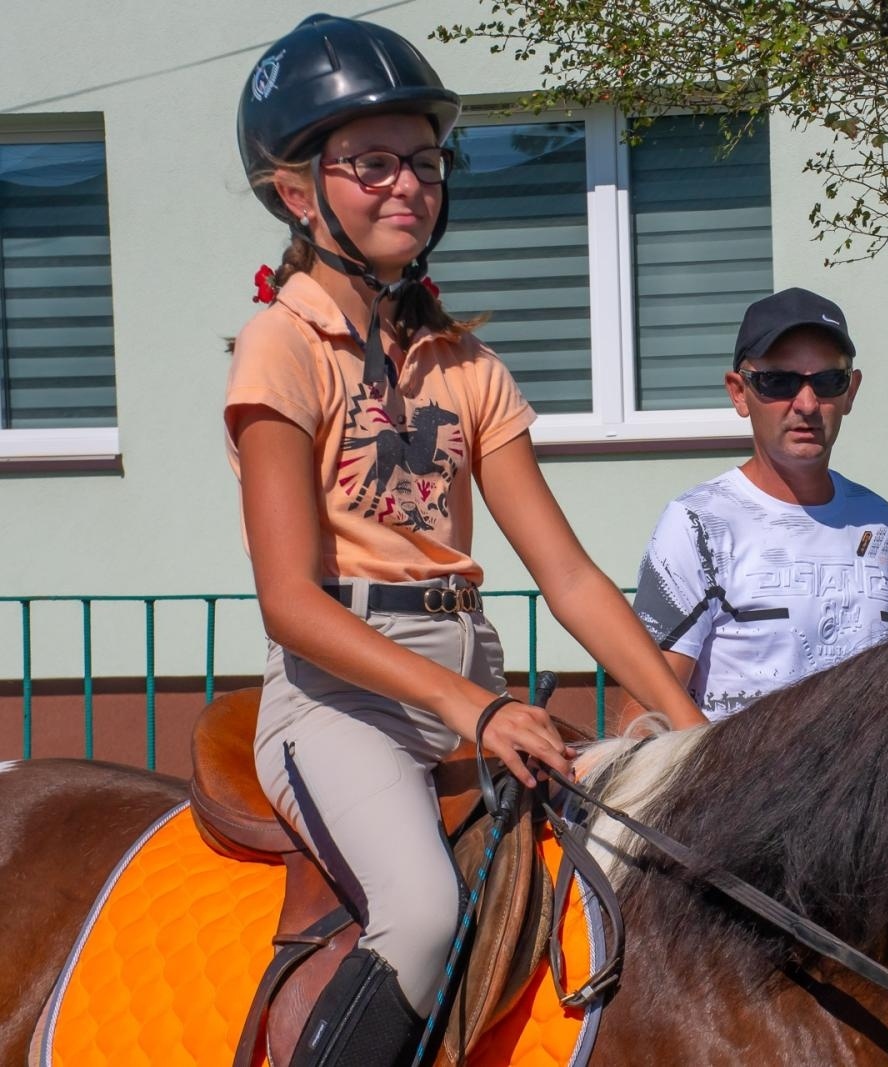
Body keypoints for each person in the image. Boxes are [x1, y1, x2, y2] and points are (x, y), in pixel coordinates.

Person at [224, 16, 704, 1066]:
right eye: (374, 164)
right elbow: (288, 600)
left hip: (469, 674)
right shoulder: (280, 344)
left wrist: (692, 732)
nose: (408, 186)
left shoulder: (466, 362)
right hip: (339, 699)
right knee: (424, 911)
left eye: (425, 162)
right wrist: (474, 708)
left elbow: (568, 575)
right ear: (298, 192)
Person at [626, 288, 888, 725]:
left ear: (851, 391)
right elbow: (645, 716)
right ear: (739, 393)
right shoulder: (698, 524)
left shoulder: (878, 522)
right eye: (778, 382)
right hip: (738, 791)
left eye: (828, 381)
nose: (807, 404)